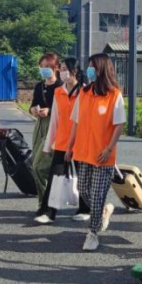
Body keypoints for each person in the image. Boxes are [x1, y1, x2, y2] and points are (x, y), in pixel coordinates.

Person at [65, 53, 124, 251]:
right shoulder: (84, 93)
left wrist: (109, 149)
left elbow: (119, 125)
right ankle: (103, 211)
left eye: (92, 66)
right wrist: (69, 146)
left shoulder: (114, 94)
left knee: (97, 196)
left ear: (101, 69)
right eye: (88, 66)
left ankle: (92, 233)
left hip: (103, 155)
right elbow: (76, 122)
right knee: (83, 190)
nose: (89, 69)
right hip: (83, 152)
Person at [37, 57, 91, 223]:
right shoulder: (58, 92)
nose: (61, 72)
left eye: (64, 69)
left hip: (81, 143)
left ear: (74, 71)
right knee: (56, 178)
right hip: (62, 142)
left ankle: (85, 209)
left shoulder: (85, 91)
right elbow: (54, 119)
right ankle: (48, 213)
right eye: (60, 69)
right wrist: (48, 145)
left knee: (83, 177)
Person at [30, 53, 63, 216]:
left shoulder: (61, 86)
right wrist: (34, 110)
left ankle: (46, 204)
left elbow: (64, 109)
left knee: (38, 167)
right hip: (40, 126)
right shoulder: (39, 86)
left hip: (54, 126)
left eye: (47, 66)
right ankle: (45, 203)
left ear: (55, 67)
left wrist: (49, 111)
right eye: (41, 66)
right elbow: (32, 106)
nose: (43, 69)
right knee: (38, 165)